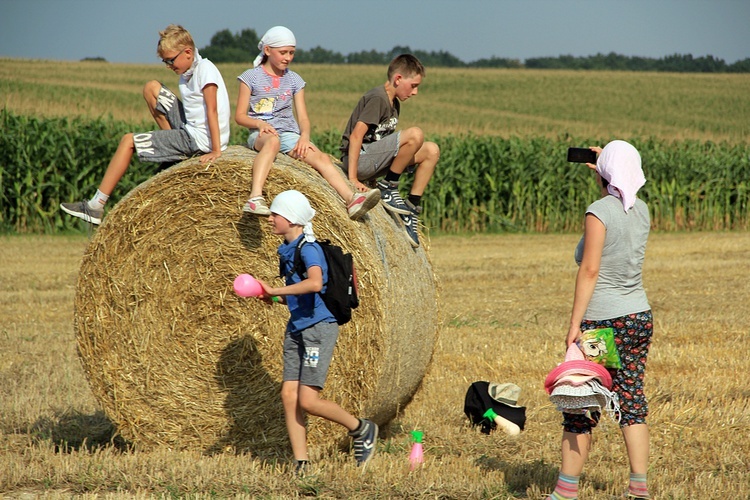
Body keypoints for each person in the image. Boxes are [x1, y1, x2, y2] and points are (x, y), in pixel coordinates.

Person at [549, 140, 653, 500]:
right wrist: (606, 175)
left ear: (605, 170)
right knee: (631, 400)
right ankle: (638, 488)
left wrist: (575, 324)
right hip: (638, 317)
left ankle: (566, 492)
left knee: (580, 404)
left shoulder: (598, 211)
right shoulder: (641, 210)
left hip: (603, 322)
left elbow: (590, 268)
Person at [255, 190, 378, 472]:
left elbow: (314, 283)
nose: (270, 219)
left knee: (308, 400)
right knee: (289, 396)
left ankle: (361, 428)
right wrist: (273, 297)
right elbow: (299, 293)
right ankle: (301, 462)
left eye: (276, 214)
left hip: (317, 329)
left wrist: (276, 288)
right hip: (296, 329)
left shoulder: (309, 248)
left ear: (293, 218)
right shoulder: (287, 250)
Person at [60, 24, 231, 225]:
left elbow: (212, 109)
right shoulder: (188, 73)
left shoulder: (205, 70)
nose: (169, 65)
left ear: (187, 52)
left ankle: (96, 206)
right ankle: (175, 155)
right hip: (190, 129)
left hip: (199, 140)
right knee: (152, 88)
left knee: (128, 141)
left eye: (170, 60)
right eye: (165, 61)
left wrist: (216, 151)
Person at [236, 26, 380, 221]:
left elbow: (303, 117)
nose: (287, 57)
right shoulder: (250, 77)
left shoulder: (294, 80)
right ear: (268, 50)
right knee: (272, 143)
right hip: (262, 133)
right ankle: (255, 197)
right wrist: (260, 124)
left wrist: (304, 138)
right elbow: (240, 116)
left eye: (291, 53)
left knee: (321, 158)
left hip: (289, 134)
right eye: (283, 52)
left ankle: (351, 199)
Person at [339, 54, 440, 248]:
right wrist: (352, 178)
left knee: (431, 150)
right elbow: (356, 136)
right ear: (398, 79)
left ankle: (411, 208)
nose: (415, 92)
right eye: (414, 85)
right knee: (415, 135)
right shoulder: (378, 98)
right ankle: (389, 186)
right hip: (359, 159)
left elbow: (383, 142)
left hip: (373, 161)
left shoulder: (395, 105)